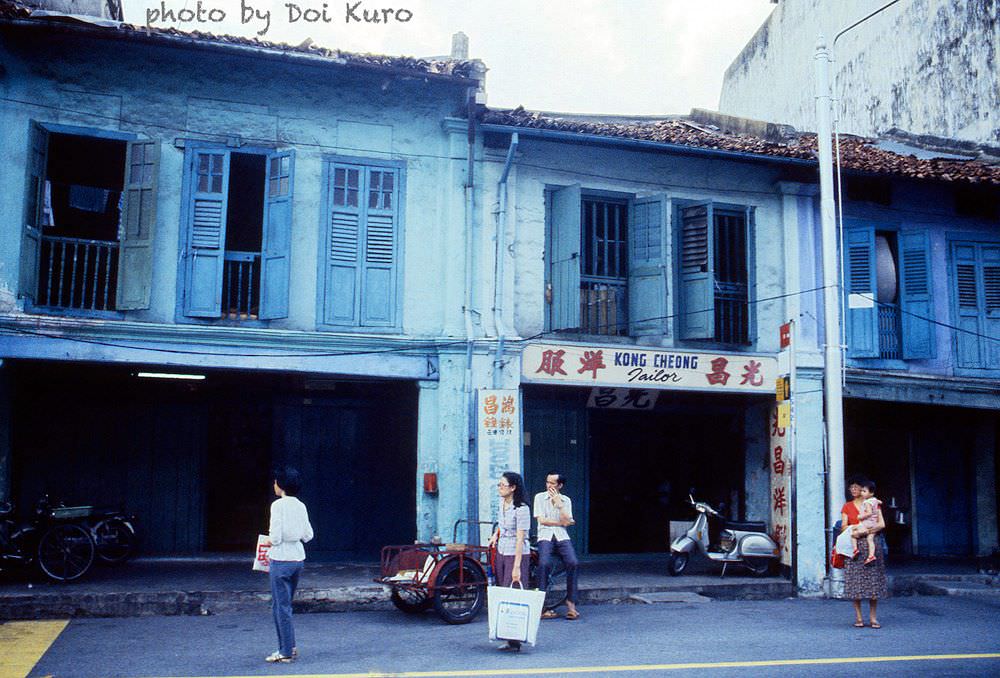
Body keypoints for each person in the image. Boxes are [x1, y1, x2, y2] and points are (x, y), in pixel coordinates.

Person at [262, 466, 314, 663]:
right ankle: (289, 646)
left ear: (281, 485)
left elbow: (275, 537)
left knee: (280, 607)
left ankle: (285, 651)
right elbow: (308, 535)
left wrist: (268, 541)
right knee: (285, 605)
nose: (274, 484)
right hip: (297, 559)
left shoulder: (277, 506)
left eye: (276, 481)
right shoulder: (301, 506)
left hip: (281, 559)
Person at [488, 471, 530, 652]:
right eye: (499, 485)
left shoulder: (522, 509)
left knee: (514, 593)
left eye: (502, 485)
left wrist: (517, 567)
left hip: (516, 552)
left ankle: (516, 638)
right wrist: (495, 535)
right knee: (503, 591)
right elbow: (501, 525)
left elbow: (520, 538)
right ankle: (508, 636)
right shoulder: (502, 503)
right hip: (502, 550)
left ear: (513, 488)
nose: (499, 488)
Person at [840, 476, 887, 629]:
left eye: (857, 487)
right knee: (856, 583)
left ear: (864, 489)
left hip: (871, 544)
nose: (854, 490)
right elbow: (843, 526)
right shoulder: (847, 506)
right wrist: (857, 529)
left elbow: (881, 524)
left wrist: (868, 530)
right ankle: (859, 617)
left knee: (873, 582)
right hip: (854, 545)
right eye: (851, 487)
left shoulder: (873, 504)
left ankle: (873, 618)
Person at [534, 472, 580, 620]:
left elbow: (569, 520)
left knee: (573, 562)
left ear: (560, 485)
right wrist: (562, 522)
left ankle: (571, 603)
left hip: (562, 536)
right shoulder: (539, 497)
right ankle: (541, 605)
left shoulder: (566, 500)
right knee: (544, 564)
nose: (549, 486)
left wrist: (559, 505)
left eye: (552, 483)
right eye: (547, 482)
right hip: (545, 536)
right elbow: (542, 520)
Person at [850, 480, 882, 565]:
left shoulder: (867, 502)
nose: (862, 493)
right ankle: (871, 556)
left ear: (871, 493)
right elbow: (880, 502)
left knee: (853, 532)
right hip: (874, 524)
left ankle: (855, 549)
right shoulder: (874, 500)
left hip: (867, 523)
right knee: (870, 539)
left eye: (864, 491)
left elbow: (869, 513)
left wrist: (860, 517)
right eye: (862, 491)